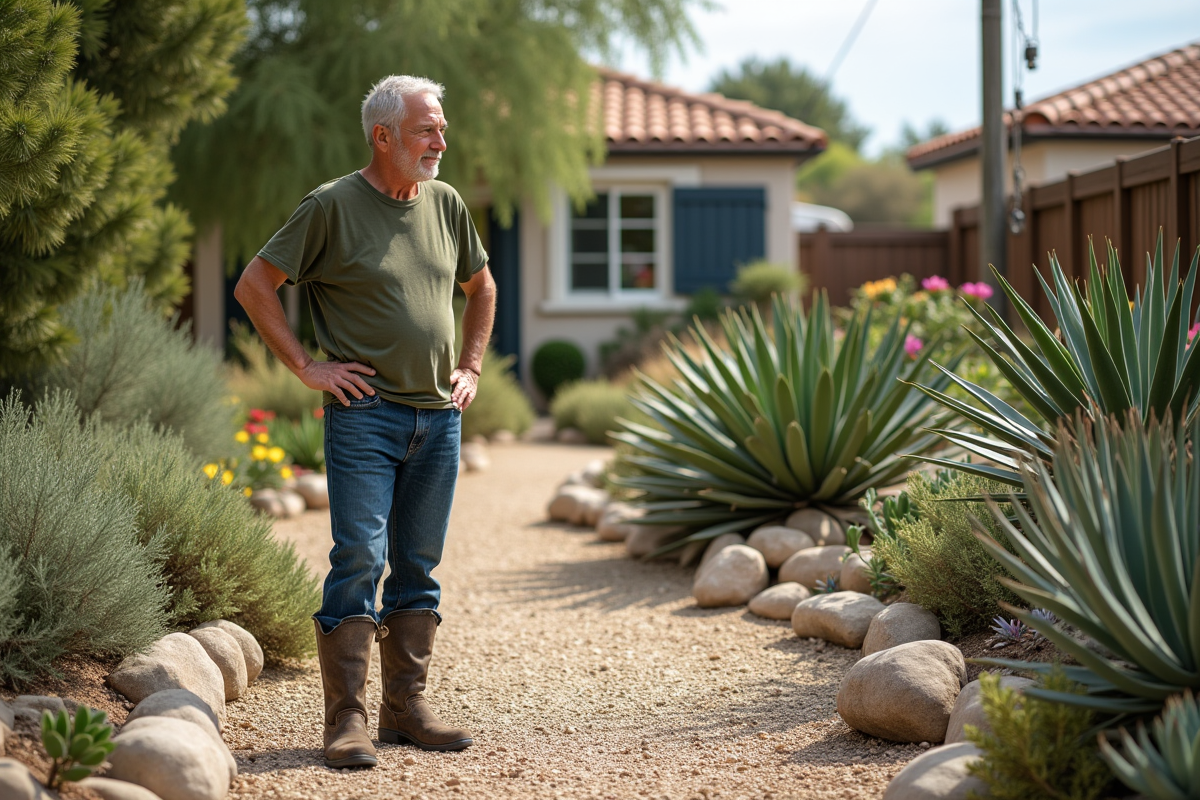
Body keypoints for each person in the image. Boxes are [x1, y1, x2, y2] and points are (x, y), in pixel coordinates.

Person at [234, 74, 495, 767]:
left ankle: (406, 710)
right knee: (358, 561)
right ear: (383, 136)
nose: (441, 140)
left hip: (438, 419)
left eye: (441, 127)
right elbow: (255, 285)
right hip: (365, 418)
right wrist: (305, 367)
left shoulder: (445, 204)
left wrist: (470, 367)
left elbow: (482, 286)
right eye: (426, 129)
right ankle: (345, 721)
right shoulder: (330, 207)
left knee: (419, 567)